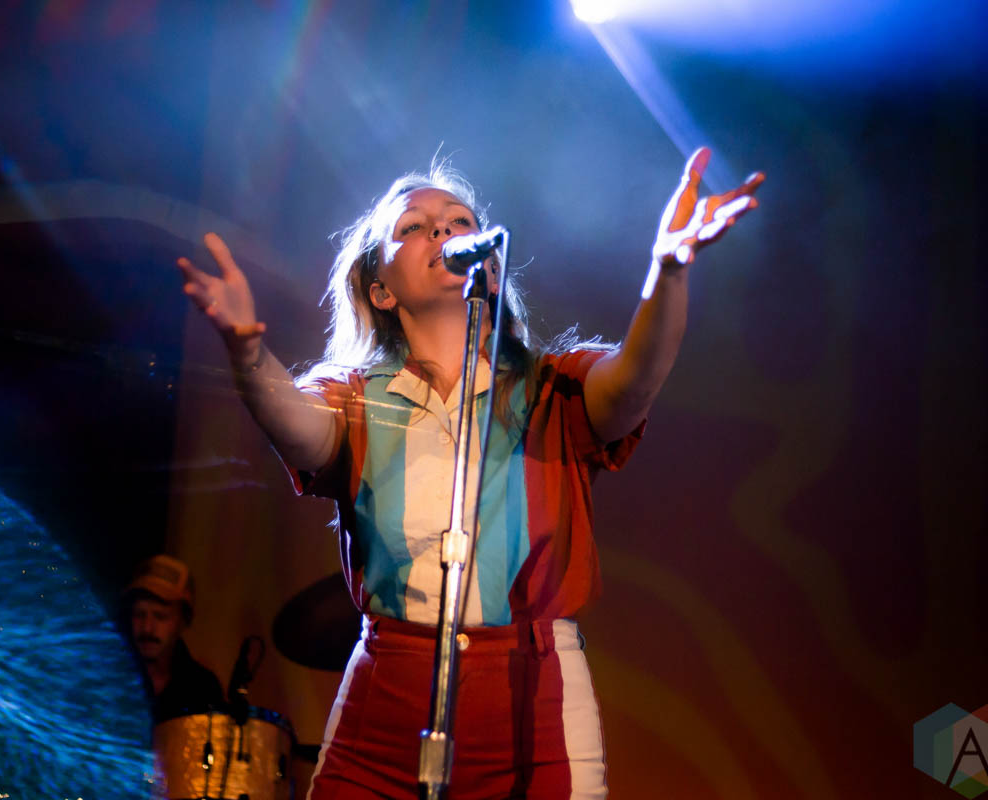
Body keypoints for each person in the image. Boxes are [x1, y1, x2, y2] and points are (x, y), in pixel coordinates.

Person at [176, 148, 762, 798]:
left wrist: (668, 273)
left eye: (459, 221)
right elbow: (299, 429)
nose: (441, 229)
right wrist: (248, 354)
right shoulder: (357, 397)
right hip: (383, 707)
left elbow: (634, 381)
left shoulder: (550, 388)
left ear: (489, 263)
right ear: (381, 290)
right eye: (413, 227)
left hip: (535, 704)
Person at [124, 554, 225, 724]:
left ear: (183, 621)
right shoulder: (109, 675)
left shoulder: (203, 688)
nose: (147, 628)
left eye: (160, 616)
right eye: (139, 614)